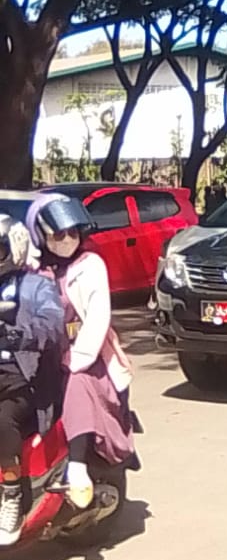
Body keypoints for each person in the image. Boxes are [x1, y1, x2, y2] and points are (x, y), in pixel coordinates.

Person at [26, 195, 137, 509]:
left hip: (89, 357)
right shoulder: (33, 270)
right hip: (42, 356)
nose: (66, 240)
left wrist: (77, 358)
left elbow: (98, 317)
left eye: (72, 233)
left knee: (78, 384)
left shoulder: (89, 265)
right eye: (58, 234)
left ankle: (76, 465)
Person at [0, 216, 66, 545]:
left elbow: (53, 325)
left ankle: (11, 495)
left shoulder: (36, 286)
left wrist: (16, 334)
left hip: (23, 379)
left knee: (2, 419)